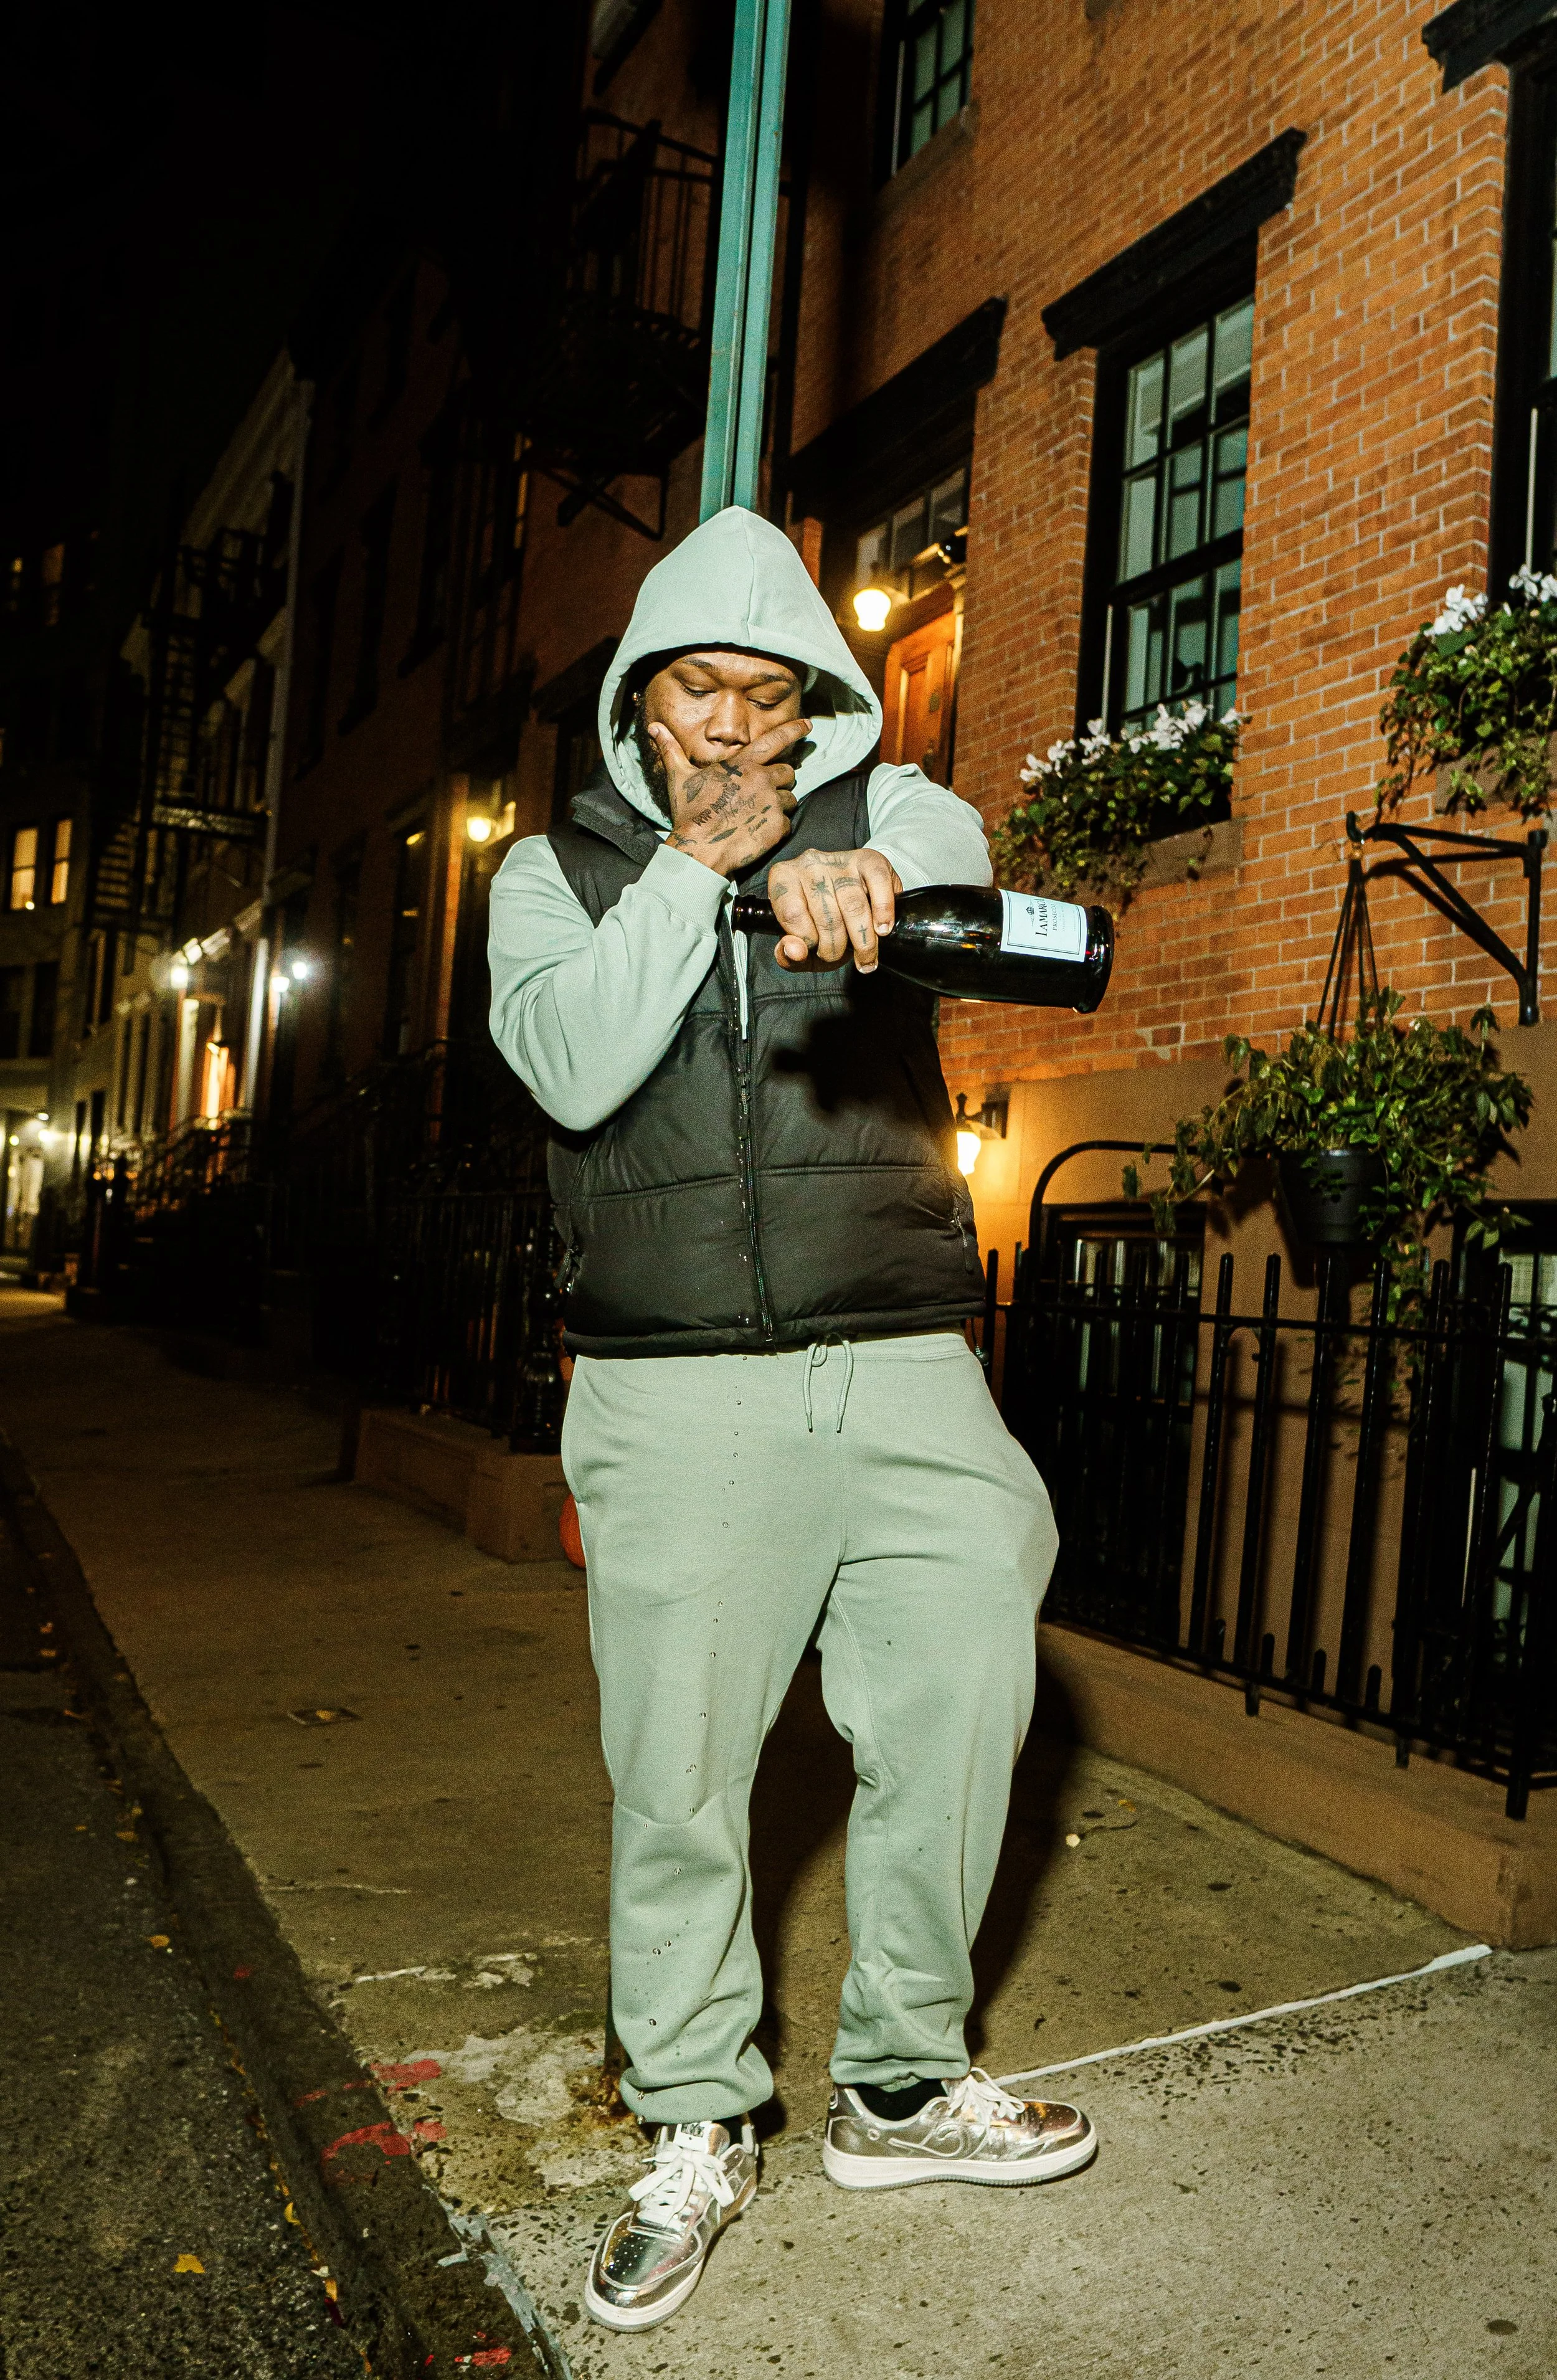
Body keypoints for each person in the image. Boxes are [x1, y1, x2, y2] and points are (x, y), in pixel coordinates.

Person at [488, 506, 1093, 2335]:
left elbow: (995, 911)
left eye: (772, 696)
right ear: (637, 706)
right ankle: (692, 2113)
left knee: (968, 1683)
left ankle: (903, 2082)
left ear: (815, 702)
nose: (737, 733)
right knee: (680, 1776)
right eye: (699, 694)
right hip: (675, 1390)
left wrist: (877, 895)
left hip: (903, 1354)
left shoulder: (894, 811)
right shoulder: (556, 869)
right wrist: (697, 878)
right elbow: (575, 1061)